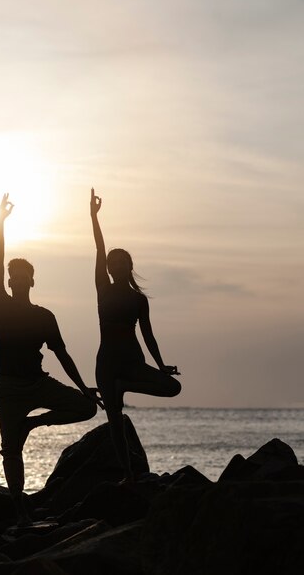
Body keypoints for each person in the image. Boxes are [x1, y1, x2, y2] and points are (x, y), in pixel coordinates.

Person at [0, 193, 102, 525]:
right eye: (13, 277)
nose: (17, 280)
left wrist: (84, 387)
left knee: (87, 407)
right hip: (8, 388)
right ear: (9, 282)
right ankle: (20, 510)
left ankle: (32, 424)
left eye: (23, 277)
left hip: (39, 384)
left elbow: (62, 354)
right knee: (11, 450)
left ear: (32, 282)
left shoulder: (44, 316)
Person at [90, 188, 181, 481]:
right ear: (108, 268)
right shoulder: (102, 288)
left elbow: (148, 334)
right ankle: (127, 475)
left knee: (172, 387)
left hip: (131, 361)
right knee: (114, 420)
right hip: (106, 361)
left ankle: (124, 385)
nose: (115, 265)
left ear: (130, 267)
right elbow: (98, 248)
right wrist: (94, 217)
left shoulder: (138, 300)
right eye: (112, 263)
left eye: (121, 262)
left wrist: (161, 364)